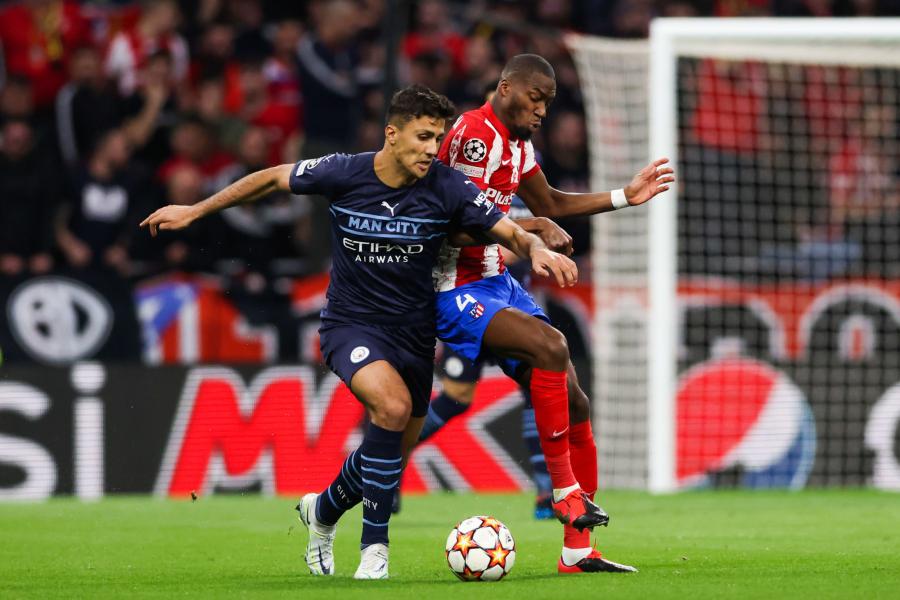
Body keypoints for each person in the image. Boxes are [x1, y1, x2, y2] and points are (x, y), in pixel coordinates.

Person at [139, 84, 577, 580]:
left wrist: (534, 248)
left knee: (387, 449)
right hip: (351, 325)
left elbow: (506, 229)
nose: (432, 150)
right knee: (390, 408)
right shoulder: (345, 171)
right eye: (423, 137)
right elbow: (272, 178)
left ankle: (323, 510)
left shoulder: (447, 186)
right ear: (392, 134)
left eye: (437, 139)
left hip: (415, 334)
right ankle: (374, 550)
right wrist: (195, 210)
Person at [431, 54, 674, 574]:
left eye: (548, 102)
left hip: (496, 280)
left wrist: (624, 197)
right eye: (535, 97)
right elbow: (447, 226)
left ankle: (578, 550)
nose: (542, 110)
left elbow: (553, 203)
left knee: (574, 400)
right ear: (505, 88)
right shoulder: (475, 136)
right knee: (551, 346)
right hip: (453, 285)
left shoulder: (518, 145)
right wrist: (529, 231)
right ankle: (564, 491)